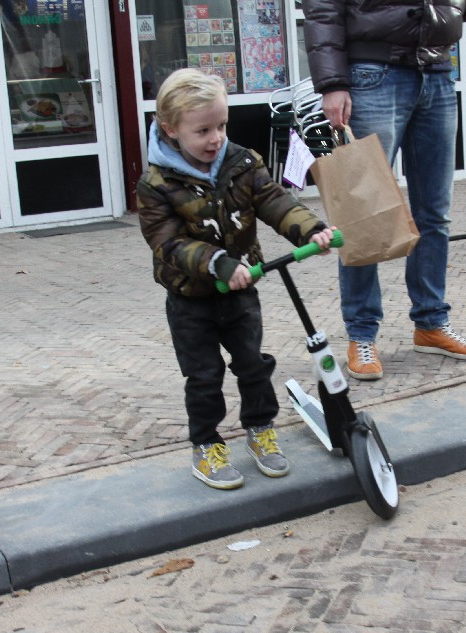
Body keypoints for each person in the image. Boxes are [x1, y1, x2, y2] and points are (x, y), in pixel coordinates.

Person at [137, 68, 335, 490]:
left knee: (253, 365)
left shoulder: (242, 162)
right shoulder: (156, 183)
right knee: (204, 376)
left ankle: (260, 429)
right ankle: (206, 445)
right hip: (191, 299)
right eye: (203, 131)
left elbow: (274, 201)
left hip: (242, 291)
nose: (216, 138)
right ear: (170, 129)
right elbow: (167, 243)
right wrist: (218, 262)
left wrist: (310, 229)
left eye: (222, 126)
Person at [303, 0, 466, 381]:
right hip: (373, 72)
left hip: (437, 69)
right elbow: (323, 9)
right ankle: (361, 334)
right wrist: (333, 82)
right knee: (361, 216)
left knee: (435, 213)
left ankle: (431, 323)